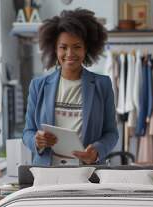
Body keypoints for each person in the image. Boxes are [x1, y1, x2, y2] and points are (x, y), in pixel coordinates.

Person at [22, 9, 119, 166]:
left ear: (86, 49)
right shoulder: (38, 86)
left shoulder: (102, 84)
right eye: (63, 47)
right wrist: (36, 140)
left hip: (88, 173)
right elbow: (27, 132)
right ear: (55, 49)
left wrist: (97, 151)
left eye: (77, 46)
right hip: (47, 172)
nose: (70, 53)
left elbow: (111, 133)